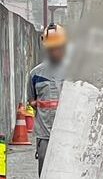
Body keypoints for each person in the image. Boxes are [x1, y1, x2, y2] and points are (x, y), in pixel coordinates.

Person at [27, 24, 67, 176]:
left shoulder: (73, 71)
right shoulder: (35, 74)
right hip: (44, 134)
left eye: (57, 47)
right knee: (45, 172)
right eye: (50, 47)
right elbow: (33, 101)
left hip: (67, 133)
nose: (54, 51)